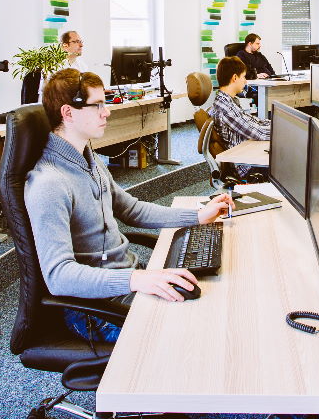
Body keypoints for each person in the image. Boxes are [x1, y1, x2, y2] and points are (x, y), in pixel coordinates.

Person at [25, 68, 233, 342]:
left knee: (214, 306)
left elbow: (131, 209)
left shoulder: (89, 160)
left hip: (126, 280)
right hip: (95, 309)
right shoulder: (49, 183)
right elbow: (58, 276)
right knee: (194, 335)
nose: (107, 112)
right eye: (97, 105)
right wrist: (137, 280)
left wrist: (197, 216)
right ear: (68, 112)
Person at [208, 56, 271, 180]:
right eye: (244, 77)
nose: (245, 81)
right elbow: (259, 133)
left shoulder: (228, 101)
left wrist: (276, 124)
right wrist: (284, 131)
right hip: (247, 167)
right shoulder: (225, 108)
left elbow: (253, 121)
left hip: (247, 153)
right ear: (235, 78)